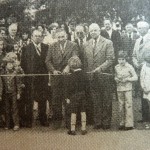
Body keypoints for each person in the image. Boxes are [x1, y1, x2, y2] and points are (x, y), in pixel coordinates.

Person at [83, 23, 115, 129]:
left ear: (99, 31)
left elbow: (110, 59)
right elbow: (85, 61)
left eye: (95, 30)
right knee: (96, 100)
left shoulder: (107, 42)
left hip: (104, 76)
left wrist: (100, 68)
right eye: (91, 31)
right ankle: (98, 122)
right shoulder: (86, 44)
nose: (93, 32)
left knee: (106, 100)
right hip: (92, 77)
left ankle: (106, 123)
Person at [45, 28, 78, 129]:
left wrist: (68, 67)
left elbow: (75, 57)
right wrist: (53, 70)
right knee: (56, 101)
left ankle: (69, 122)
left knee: (68, 100)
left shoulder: (73, 45)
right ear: (55, 37)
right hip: (56, 78)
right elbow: (47, 61)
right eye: (58, 37)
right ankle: (57, 121)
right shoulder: (52, 46)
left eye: (62, 36)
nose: (60, 39)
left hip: (68, 77)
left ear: (66, 36)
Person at [21, 29, 49, 128]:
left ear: (42, 37)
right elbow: (23, 64)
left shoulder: (46, 47)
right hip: (31, 79)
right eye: (35, 36)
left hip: (42, 79)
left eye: (39, 36)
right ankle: (29, 120)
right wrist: (24, 79)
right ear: (32, 37)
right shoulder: (26, 48)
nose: (38, 37)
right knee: (29, 100)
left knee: (43, 99)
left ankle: (43, 119)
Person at [115, 51, 138, 130]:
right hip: (119, 88)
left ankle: (129, 124)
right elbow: (115, 76)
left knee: (128, 105)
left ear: (126, 59)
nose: (121, 61)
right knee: (121, 106)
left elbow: (135, 77)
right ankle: (122, 122)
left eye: (123, 59)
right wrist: (116, 79)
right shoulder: (116, 67)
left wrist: (128, 79)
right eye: (119, 59)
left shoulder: (130, 67)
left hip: (128, 88)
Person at [132, 21, 150, 123]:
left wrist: (145, 63)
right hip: (139, 70)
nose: (138, 30)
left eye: (140, 28)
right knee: (142, 92)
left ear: (146, 28)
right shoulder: (138, 40)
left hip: (148, 69)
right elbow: (133, 55)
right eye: (138, 28)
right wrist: (135, 63)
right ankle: (145, 116)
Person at [65, 56, 87, 135]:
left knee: (73, 112)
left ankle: (72, 129)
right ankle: (83, 128)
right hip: (83, 94)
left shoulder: (71, 76)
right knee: (83, 111)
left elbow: (69, 88)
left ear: (71, 66)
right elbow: (87, 86)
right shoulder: (84, 74)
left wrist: (67, 97)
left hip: (74, 96)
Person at [2, 52, 24, 131]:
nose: (10, 66)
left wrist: (18, 93)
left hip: (14, 93)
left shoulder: (16, 73)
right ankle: (7, 124)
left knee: (15, 108)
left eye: (12, 64)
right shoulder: (3, 73)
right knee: (7, 109)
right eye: (9, 64)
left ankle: (16, 124)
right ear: (6, 65)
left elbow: (18, 84)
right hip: (6, 94)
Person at [140, 51, 150, 129]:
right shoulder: (143, 67)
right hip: (146, 89)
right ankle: (147, 122)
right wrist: (143, 88)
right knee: (147, 106)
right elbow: (141, 78)